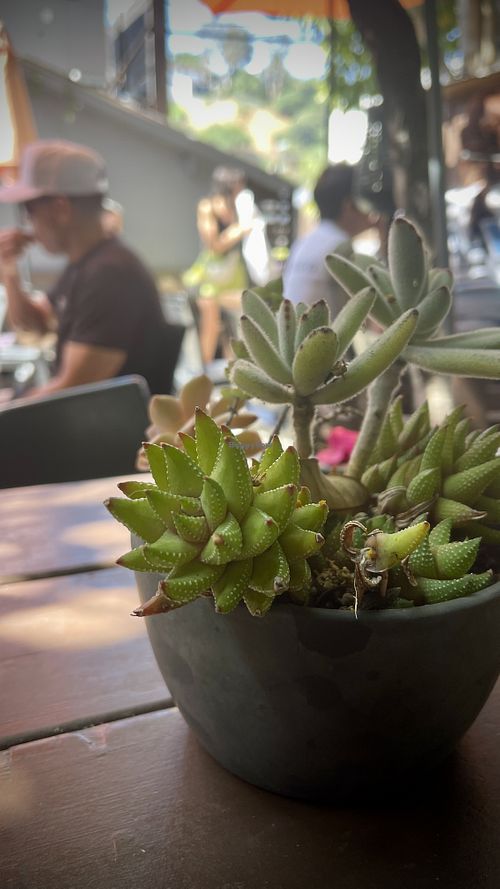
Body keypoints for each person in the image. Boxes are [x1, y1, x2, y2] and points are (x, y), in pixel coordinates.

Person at [0, 139, 179, 397]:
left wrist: (11, 405)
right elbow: (35, 323)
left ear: (60, 208)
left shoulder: (110, 274)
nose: (27, 224)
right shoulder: (84, 266)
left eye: (28, 209)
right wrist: (9, 269)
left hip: (116, 422)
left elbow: (72, 391)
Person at [283, 163, 377, 318]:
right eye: (365, 202)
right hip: (324, 331)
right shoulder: (340, 246)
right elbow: (360, 311)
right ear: (349, 206)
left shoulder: (303, 242)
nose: (371, 211)